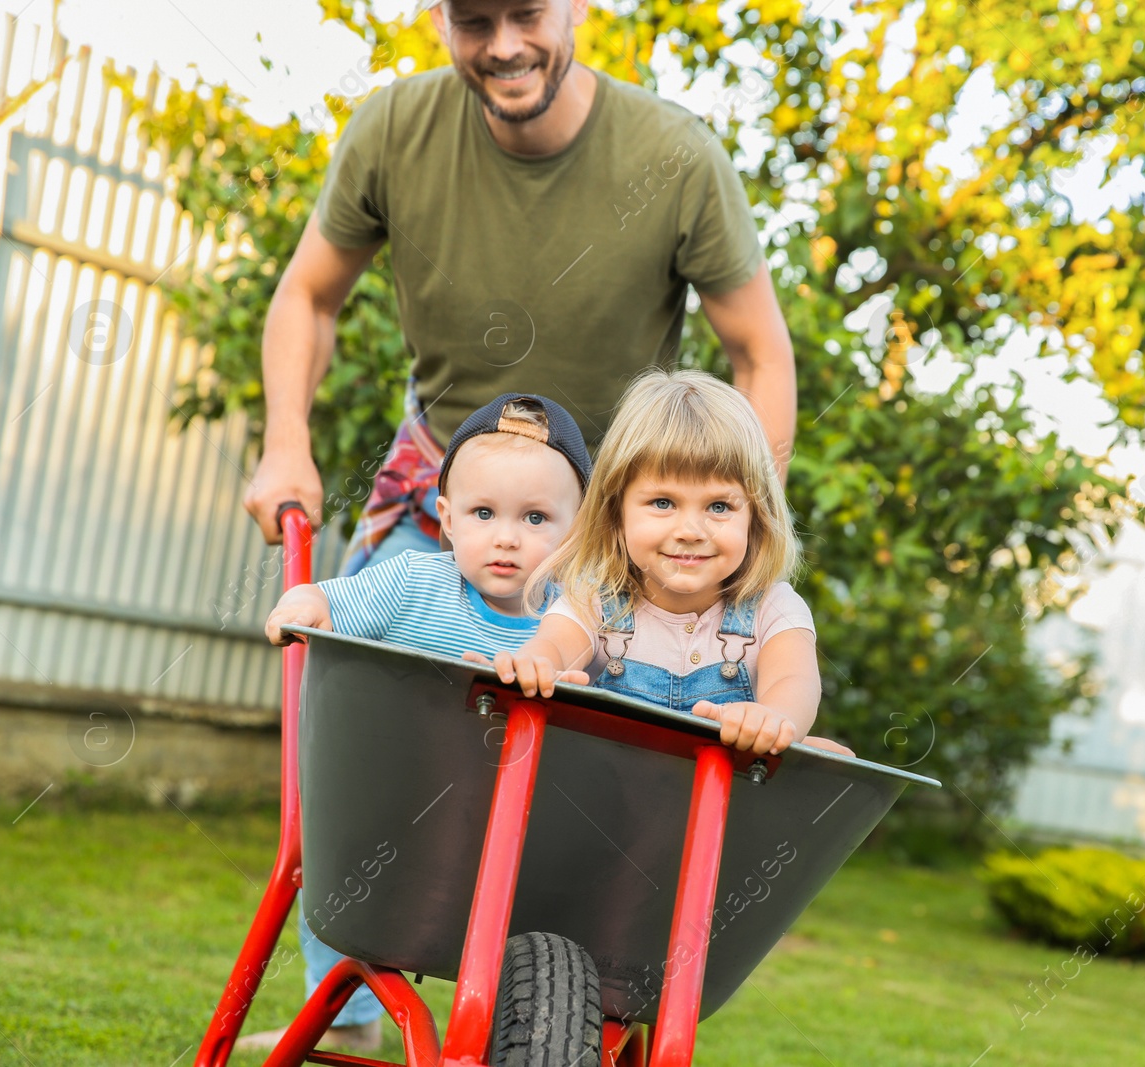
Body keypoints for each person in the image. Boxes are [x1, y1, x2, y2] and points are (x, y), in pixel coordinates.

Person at [242, 0, 798, 571]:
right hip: (442, 503)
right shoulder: (392, 129)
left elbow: (760, 356)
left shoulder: (678, 157)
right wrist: (285, 441)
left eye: (527, 14)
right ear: (439, 20)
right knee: (350, 652)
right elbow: (308, 298)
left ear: (578, 6)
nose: (504, 46)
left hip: (607, 528)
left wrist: (750, 534)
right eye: (475, 22)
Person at [239, 394, 591, 1054]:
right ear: (448, 519)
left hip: (520, 861)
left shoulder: (574, 629)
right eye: (485, 513)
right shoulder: (412, 581)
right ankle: (354, 1014)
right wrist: (304, 600)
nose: (508, 536)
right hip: (392, 838)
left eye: (536, 517)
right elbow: (331, 604)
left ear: (578, 532)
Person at [491, 370, 852, 758]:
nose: (691, 530)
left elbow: (794, 681)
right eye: (663, 503)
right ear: (617, 512)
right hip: (612, 787)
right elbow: (555, 648)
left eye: (719, 506)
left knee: (829, 757)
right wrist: (535, 666)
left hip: (723, 793)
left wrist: (774, 718)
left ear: (756, 517)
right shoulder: (595, 600)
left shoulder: (772, 609)